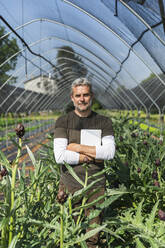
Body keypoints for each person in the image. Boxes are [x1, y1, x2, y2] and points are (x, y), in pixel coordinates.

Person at [54, 77, 115, 247]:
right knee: (67, 233)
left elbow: (109, 152)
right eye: (78, 95)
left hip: (96, 186)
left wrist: (76, 147)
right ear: (72, 97)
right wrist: (90, 155)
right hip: (69, 185)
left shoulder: (104, 122)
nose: (82, 99)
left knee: (92, 236)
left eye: (86, 95)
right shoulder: (63, 121)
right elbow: (60, 156)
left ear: (92, 96)